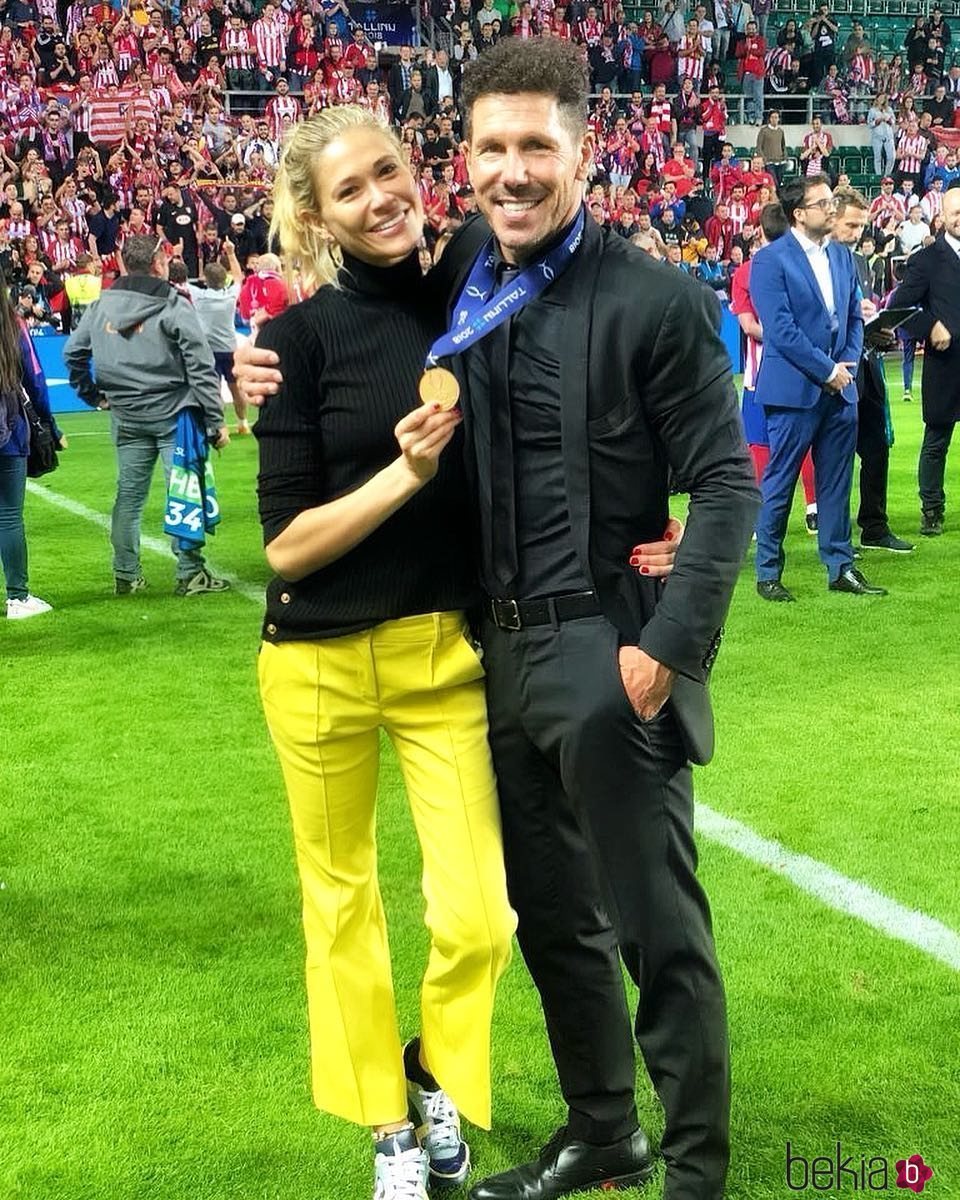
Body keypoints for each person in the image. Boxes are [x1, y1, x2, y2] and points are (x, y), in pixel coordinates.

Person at [238, 39, 759, 1200]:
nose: (511, 170)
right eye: (491, 146)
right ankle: (603, 1131)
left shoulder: (652, 296)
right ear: (461, 157)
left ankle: (697, 1168)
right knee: (550, 925)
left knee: (653, 923)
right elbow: (342, 343)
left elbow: (726, 482)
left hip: (609, 648)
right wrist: (246, 364)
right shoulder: (466, 277)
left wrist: (666, 646)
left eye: (537, 146)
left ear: (585, 151)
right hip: (495, 654)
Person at [249, 107, 519, 1200]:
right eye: (351, 189)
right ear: (316, 215)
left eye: (391, 172)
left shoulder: (469, 281)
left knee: (479, 915)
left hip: (438, 657)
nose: (382, 198)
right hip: (311, 664)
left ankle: (434, 1071)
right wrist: (403, 476)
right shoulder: (292, 343)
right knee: (341, 906)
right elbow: (285, 545)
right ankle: (387, 1126)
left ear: (419, 170)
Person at [63, 235, 231, 597]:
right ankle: (190, 573)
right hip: (174, 413)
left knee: (129, 496)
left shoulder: (100, 305)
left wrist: (94, 395)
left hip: (126, 414)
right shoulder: (174, 303)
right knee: (183, 490)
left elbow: (73, 354)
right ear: (158, 264)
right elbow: (200, 366)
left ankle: (126, 573)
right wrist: (216, 421)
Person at [751, 175, 885, 600]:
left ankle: (840, 566)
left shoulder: (843, 258)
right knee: (780, 482)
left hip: (839, 388)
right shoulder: (770, 260)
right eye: (823, 203)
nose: (832, 208)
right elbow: (782, 330)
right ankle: (768, 572)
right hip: (795, 391)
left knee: (836, 483)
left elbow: (852, 319)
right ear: (798, 214)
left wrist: (843, 364)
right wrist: (828, 369)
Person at [830, 187, 914, 554]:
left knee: (877, 447)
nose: (857, 234)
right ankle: (834, 535)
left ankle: (874, 527)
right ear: (831, 218)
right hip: (836, 373)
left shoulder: (860, 262)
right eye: (851, 225)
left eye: (861, 226)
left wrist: (879, 329)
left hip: (868, 367)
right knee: (836, 456)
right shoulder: (820, 260)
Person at [729, 202, 819, 531]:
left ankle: (764, 519)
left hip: (761, 375)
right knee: (804, 442)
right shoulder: (806, 265)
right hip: (802, 370)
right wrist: (794, 337)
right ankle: (814, 509)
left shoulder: (746, 272)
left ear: (760, 231)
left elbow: (749, 326)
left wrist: (779, 336)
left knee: (761, 446)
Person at [892, 187, 960, 536]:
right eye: (955, 213)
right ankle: (932, 509)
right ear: (942, 218)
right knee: (936, 442)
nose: (959, 218)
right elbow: (897, 308)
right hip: (945, 366)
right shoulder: (926, 260)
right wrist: (929, 325)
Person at [0, 281, 63, 619]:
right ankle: (17, 597)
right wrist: (50, 428)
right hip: (8, 431)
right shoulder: (14, 325)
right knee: (9, 515)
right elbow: (36, 382)